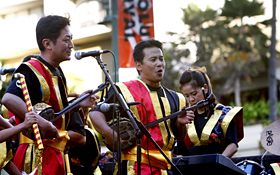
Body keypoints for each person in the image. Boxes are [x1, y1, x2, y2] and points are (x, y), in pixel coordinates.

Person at [1, 15, 99, 175]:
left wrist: (77, 104)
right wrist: (40, 122)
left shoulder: (57, 72)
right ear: (47, 43)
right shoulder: (30, 68)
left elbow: (55, 115)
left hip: (56, 156)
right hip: (35, 155)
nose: (71, 45)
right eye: (66, 40)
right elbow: (9, 99)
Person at [89, 39, 194, 175]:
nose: (159, 64)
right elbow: (95, 112)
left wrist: (181, 124)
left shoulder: (176, 98)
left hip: (165, 168)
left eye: (161, 59)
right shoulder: (124, 90)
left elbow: (180, 137)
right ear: (139, 65)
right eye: (153, 59)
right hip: (133, 168)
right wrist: (109, 134)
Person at [174, 67, 243, 158]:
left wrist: (218, 163)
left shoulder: (225, 114)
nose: (191, 99)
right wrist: (180, 125)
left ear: (205, 88)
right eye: (187, 96)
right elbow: (180, 152)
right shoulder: (187, 116)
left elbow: (233, 146)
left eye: (194, 94)